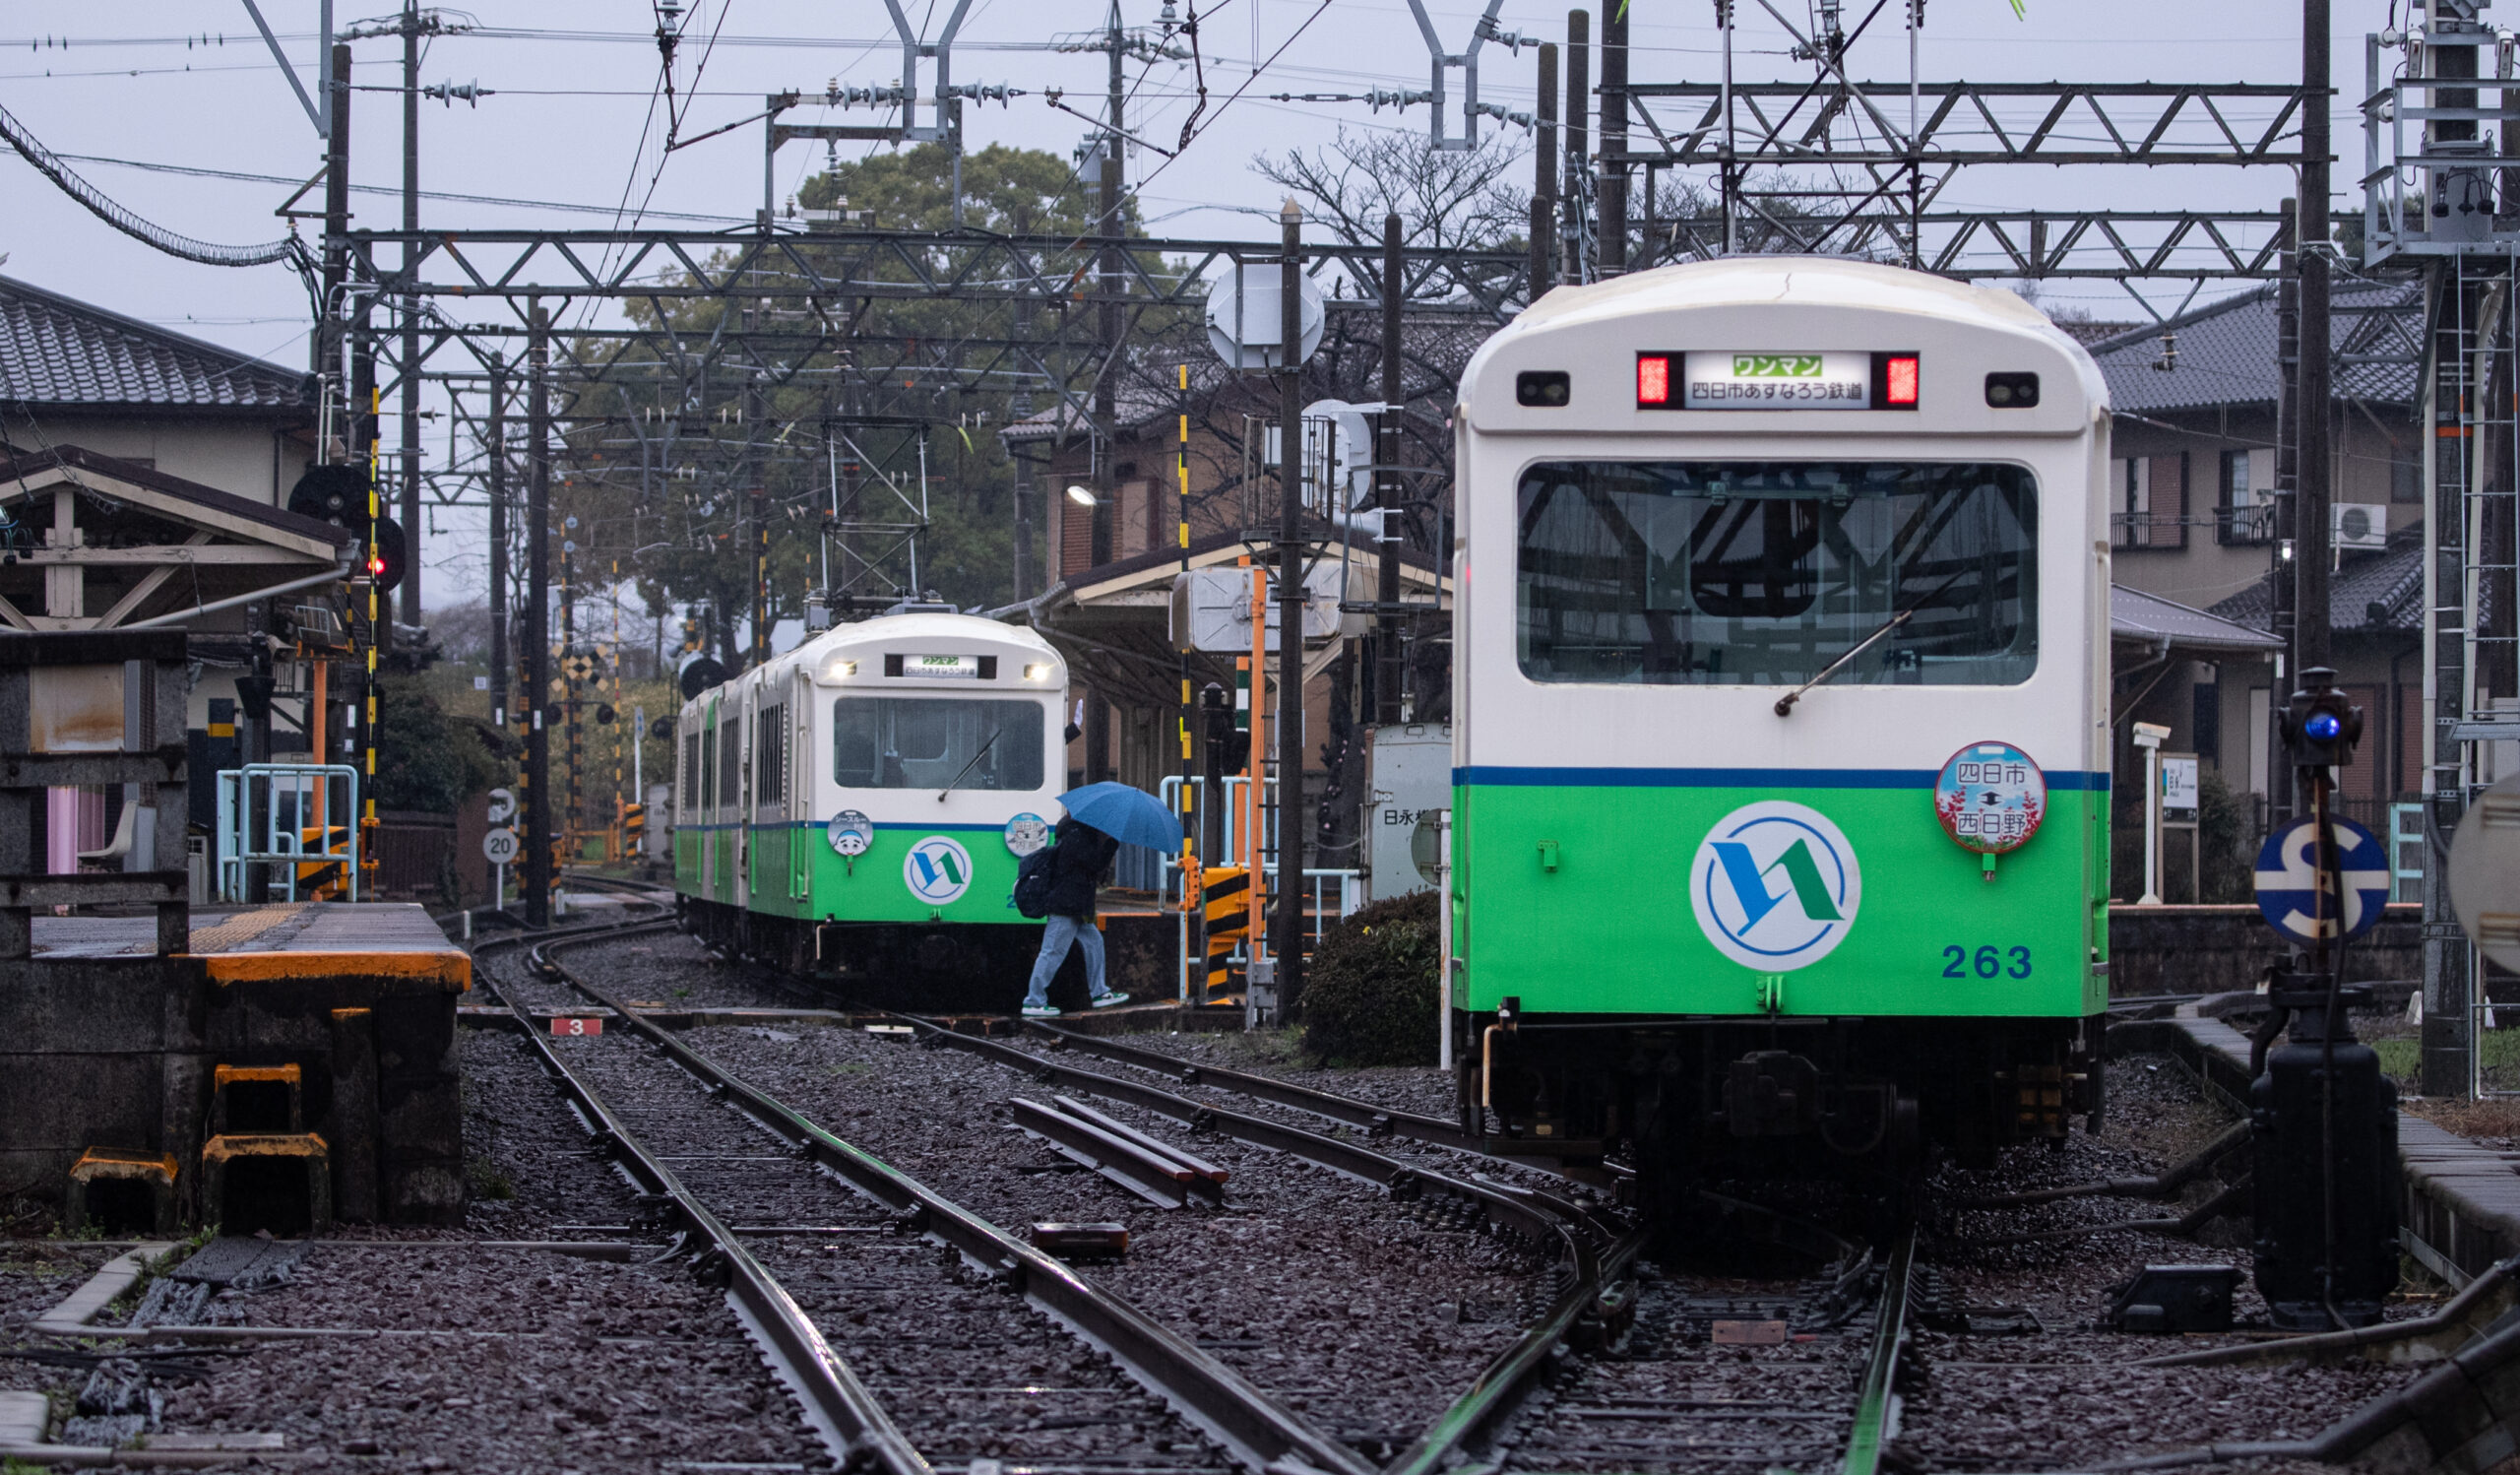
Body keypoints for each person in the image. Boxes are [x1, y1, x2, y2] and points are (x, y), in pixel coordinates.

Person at [1023, 813, 1132, 1018]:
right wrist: (1111, 843)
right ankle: (1034, 1001)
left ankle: (1099, 992)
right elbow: (1095, 864)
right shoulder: (1076, 835)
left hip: (1076, 906)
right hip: (1066, 906)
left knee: (1094, 943)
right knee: (1052, 952)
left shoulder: (1076, 833)